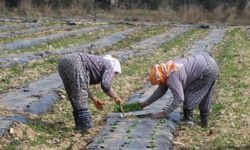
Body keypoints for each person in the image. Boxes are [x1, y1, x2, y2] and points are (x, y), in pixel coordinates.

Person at [140, 52, 218, 127]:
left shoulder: (172, 77)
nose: (160, 84)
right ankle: (204, 121)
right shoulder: (166, 70)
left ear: (160, 78)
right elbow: (161, 91)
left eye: (159, 82)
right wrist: (145, 103)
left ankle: (188, 120)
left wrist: (164, 113)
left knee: (190, 93)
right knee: (204, 94)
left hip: (207, 70)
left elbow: (179, 98)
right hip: (209, 62)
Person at [58, 54, 122, 132]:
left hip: (62, 62)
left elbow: (82, 86)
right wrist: (116, 97)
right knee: (79, 94)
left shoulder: (99, 64)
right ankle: (86, 125)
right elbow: (105, 84)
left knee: (73, 92)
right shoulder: (109, 66)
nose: (112, 75)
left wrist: (94, 99)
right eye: (115, 74)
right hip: (76, 62)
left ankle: (80, 125)